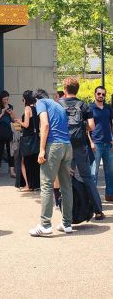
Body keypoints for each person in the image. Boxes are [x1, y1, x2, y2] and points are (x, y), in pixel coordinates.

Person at [29, 89, 73, 236]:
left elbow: (45, 125)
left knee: (47, 184)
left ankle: (45, 225)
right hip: (67, 145)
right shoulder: (58, 105)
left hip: (53, 146)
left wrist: (41, 150)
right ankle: (67, 224)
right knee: (66, 186)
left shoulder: (40, 103)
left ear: (35, 100)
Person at [59, 77, 104, 220]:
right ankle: (98, 210)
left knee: (65, 178)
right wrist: (81, 127)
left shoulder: (59, 104)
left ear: (65, 89)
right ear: (77, 89)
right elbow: (92, 126)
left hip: (64, 145)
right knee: (87, 177)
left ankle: (68, 212)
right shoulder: (84, 105)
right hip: (79, 145)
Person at [90, 86, 113, 202]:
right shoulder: (90, 108)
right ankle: (94, 199)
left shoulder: (108, 108)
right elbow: (86, 127)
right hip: (96, 144)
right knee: (93, 172)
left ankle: (109, 194)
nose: (101, 96)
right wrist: (90, 142)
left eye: (103, 94)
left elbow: (111, 123)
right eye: (99, 94)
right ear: (95, 94)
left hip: (108, 143)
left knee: (110, 171)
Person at [14, 90, 40, 191]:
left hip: (27, 139)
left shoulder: (27, 108)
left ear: (25, 99)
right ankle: (35, 184)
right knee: (34, 162)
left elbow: (26, 125)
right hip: (35, 138)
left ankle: (27, 185)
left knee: (22, 161)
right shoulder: (36, 108)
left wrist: (19, 121)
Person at [0, 90, 16, 179]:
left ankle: (12, 171)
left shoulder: (10, 107)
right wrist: (2, 113)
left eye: (7, 99)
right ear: (1, 99)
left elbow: (13, 120)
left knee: (10, 152)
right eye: (5, 99)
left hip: (8, 132)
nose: (6, 101)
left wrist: (11, 113)